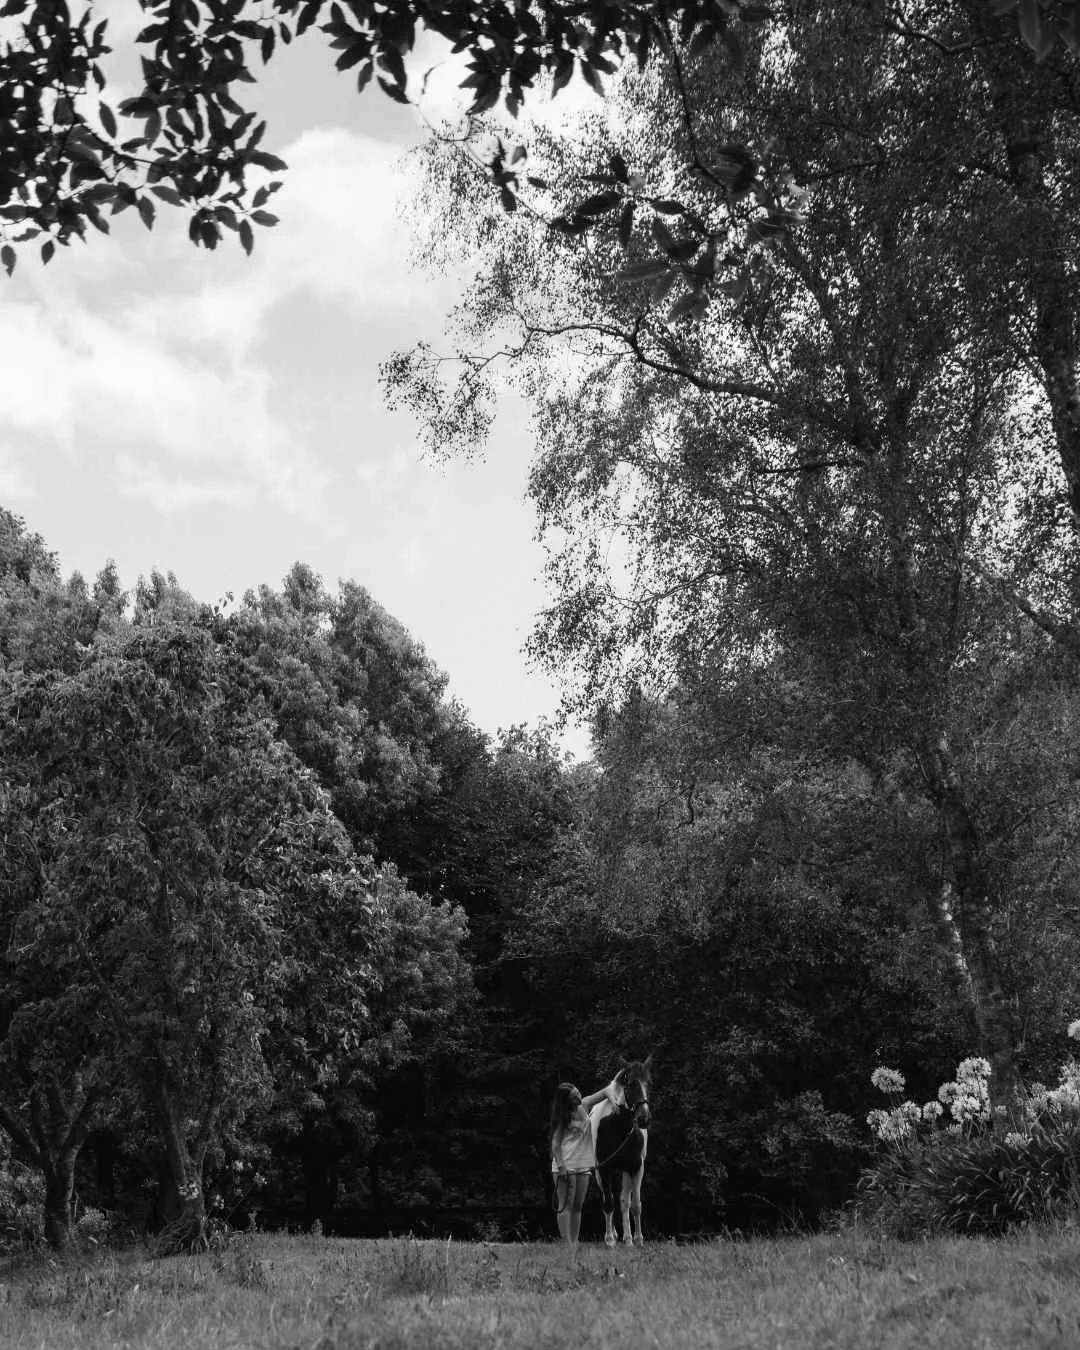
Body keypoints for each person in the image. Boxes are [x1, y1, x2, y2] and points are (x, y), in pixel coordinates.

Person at [549, 1076, 618, 1248]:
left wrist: (614, 1103)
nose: (578, 1098)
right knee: (565, 1205)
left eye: (578, 1093)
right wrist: (562, 1166)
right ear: (566, 1101)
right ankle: (566, 1245)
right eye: (574, 1097)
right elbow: (556, 1143)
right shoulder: (562, 1116)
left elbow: (606, 1091)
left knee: (578, 1206)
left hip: (583, 1164)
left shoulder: (585, 1104)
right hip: (564, 1164)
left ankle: (575, 1242)